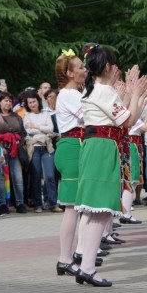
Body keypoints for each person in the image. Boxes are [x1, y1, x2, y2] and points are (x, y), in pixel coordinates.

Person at [74, 44, 147, 287]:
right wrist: (136, 93)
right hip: (103, 148)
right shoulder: (103, 91)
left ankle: (85, 262)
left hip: (97, 146)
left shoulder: (94, 89)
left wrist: (133, 93)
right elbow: (129, 120)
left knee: (95, 209)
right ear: (107, 67)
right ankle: (87, 267)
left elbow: (123, 116)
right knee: (101, 208)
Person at [54, 48, 86, 277]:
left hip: (76, 146)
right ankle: (65, 258)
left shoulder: (75, 93)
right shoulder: (69, 94)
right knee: (72, 207)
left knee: (76, 207)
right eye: (81, 67)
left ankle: (70, 255)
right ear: (70, 73)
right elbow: (88, 117)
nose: (85, 70)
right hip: (72, 147)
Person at [23, 90, 59, 213]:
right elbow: (29, 131)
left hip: (47, 147)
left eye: (34, 101)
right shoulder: (26, 115)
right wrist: (43, 129)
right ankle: (37, 204)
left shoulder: (46, 114)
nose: (32, 104)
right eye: (30, 102)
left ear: (38, 101)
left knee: (50, 176)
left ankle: (52, 203)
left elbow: (51, 129)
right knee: (36, 176)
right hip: (34, 148)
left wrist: (36, 126)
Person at [0, 92, 27, 214]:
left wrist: (20, 142)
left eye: (9, 101)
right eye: (5, 100)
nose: (8, 103)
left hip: (15, 149)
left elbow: (23, 132)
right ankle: (3, 203)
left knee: (17, 177)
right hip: (1, 149)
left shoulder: (16, 116)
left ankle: (20, 203)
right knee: (2, 178)